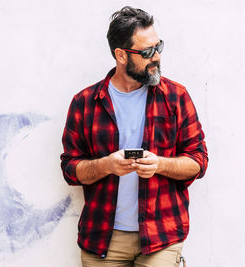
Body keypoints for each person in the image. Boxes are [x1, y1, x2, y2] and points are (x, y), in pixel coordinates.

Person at [60, 6, 208, 267]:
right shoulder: (85, 103)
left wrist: (160, 164)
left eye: (158, 46)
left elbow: (198, 161)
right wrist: (106, 165)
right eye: (147, 52)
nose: (157, 57)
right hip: (103, 239)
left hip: (161, 236)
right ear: (120, 55)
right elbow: (71, 170)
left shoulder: (175, 97)